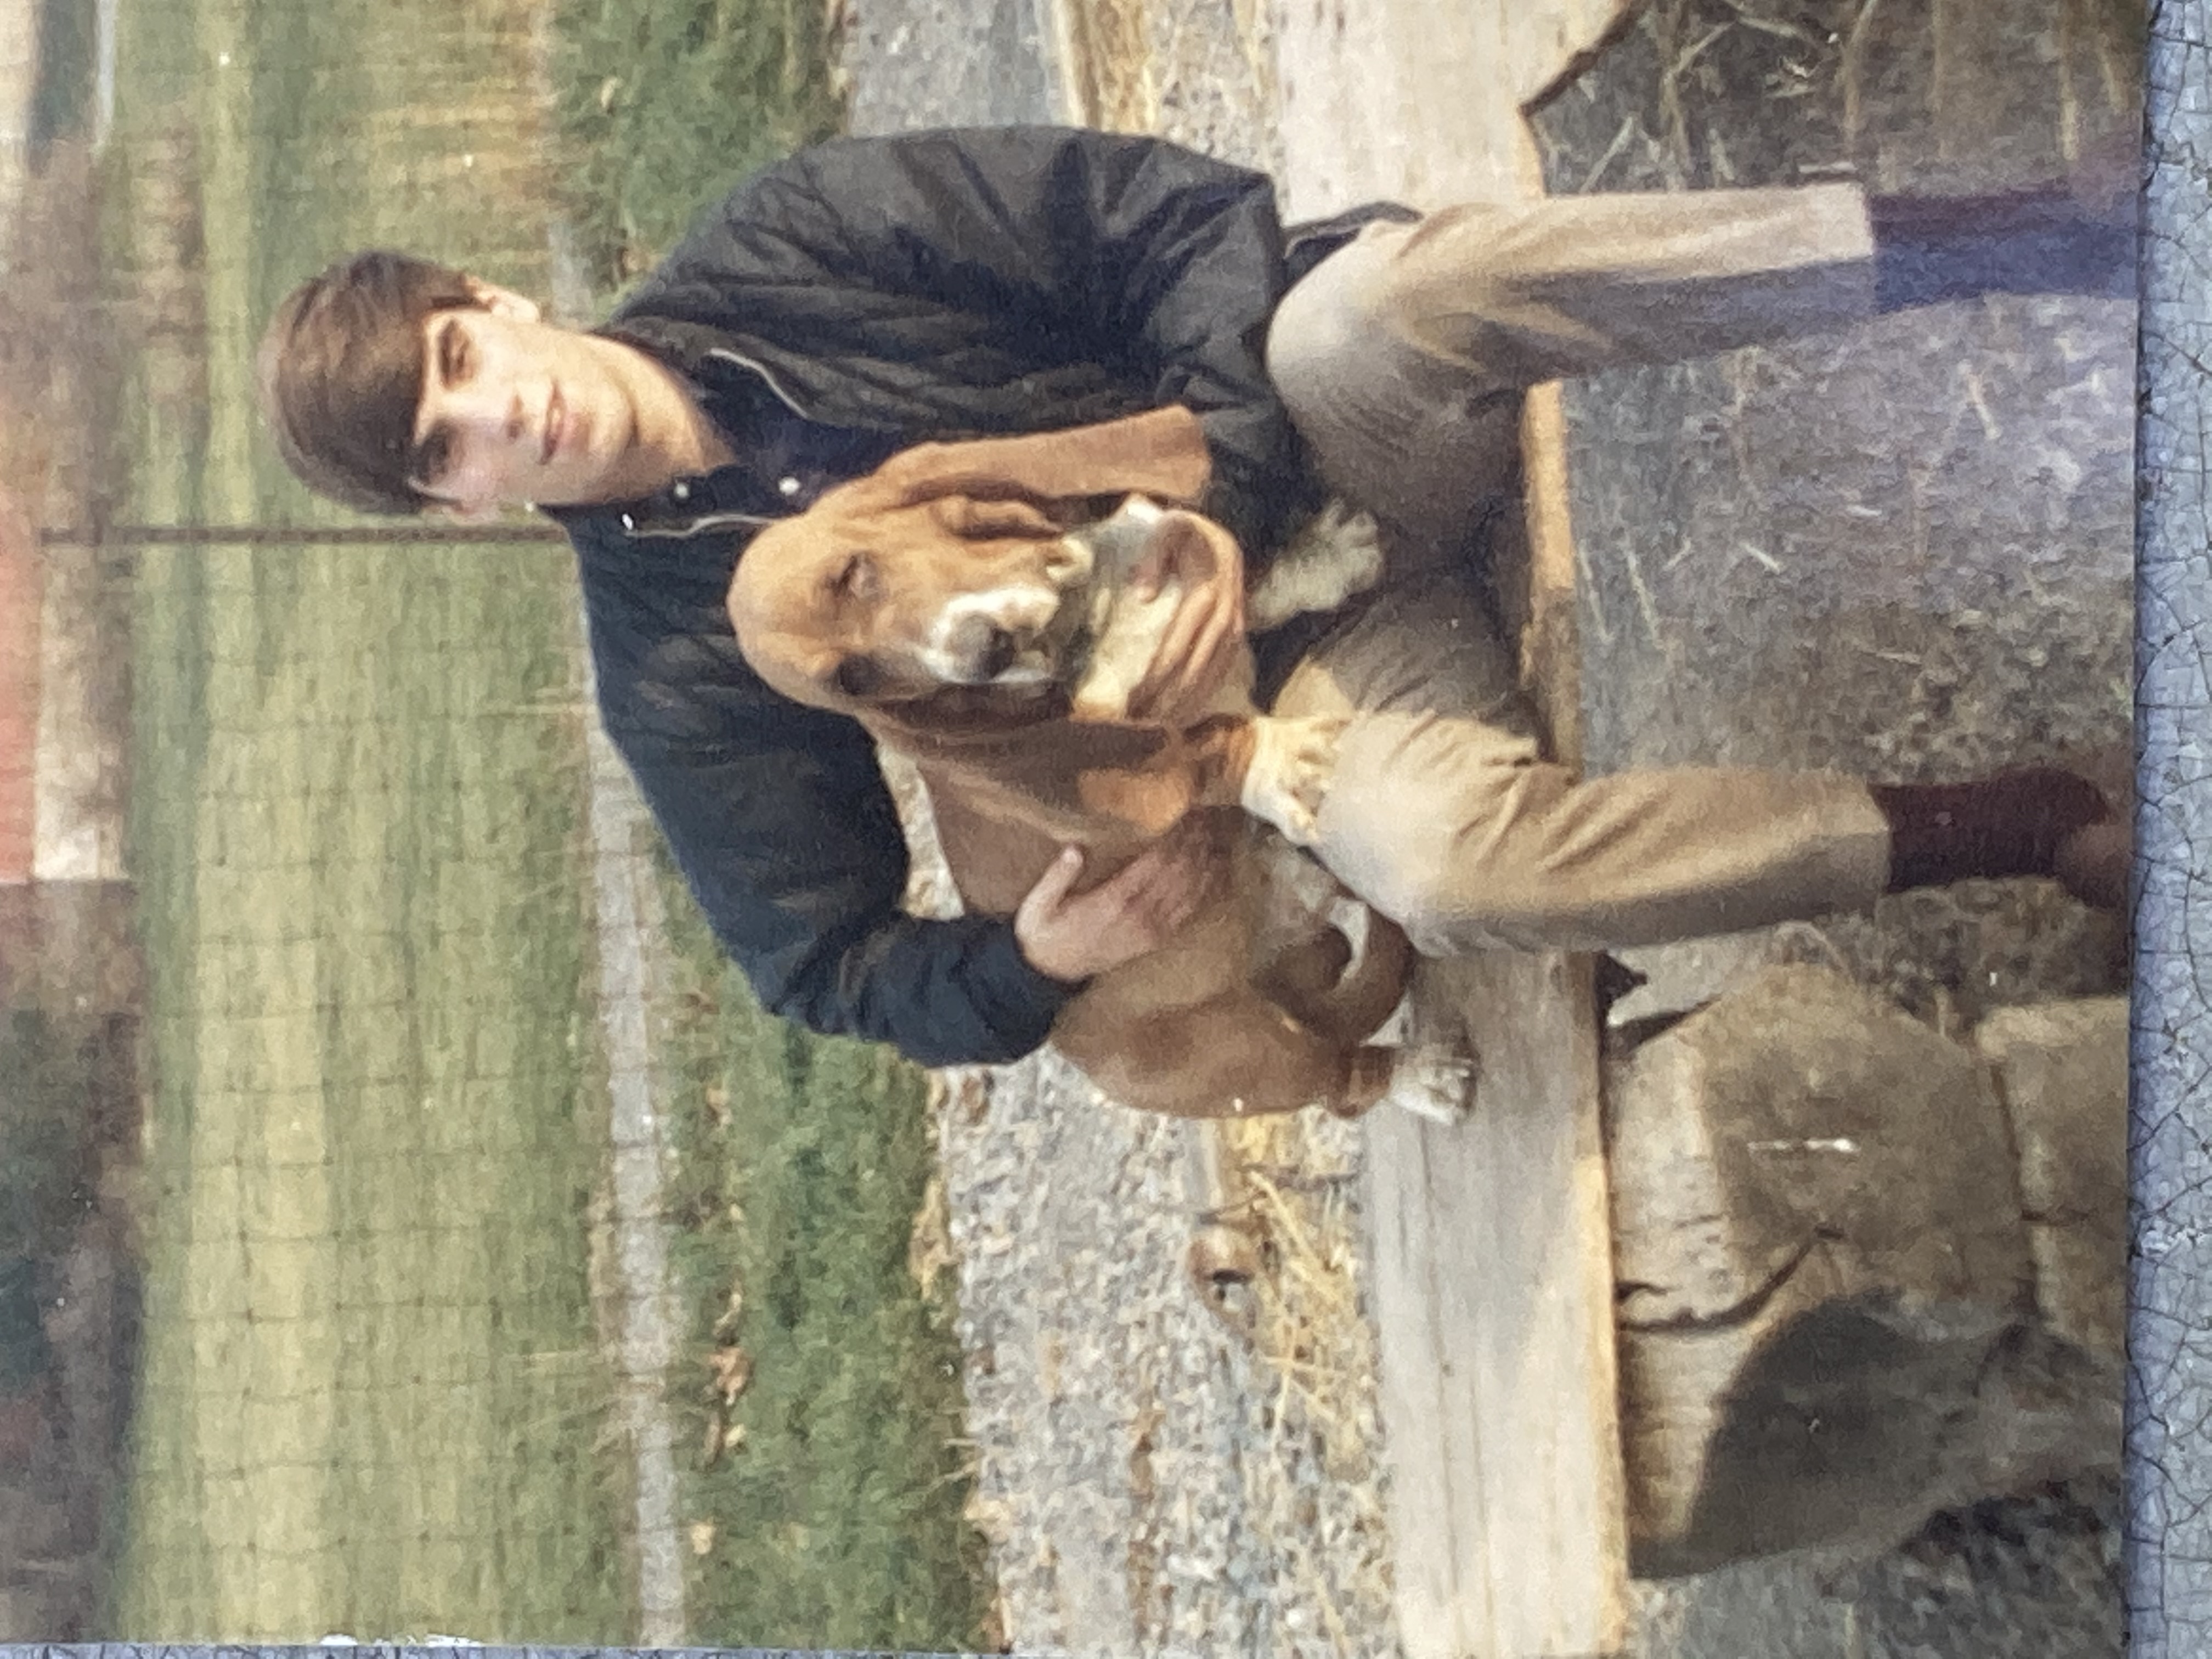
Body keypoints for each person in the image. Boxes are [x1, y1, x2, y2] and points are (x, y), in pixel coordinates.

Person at [256, 125, 2132, 1068]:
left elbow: (1166, 219)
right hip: (1282, 706)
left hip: (1309, 439)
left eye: (457, 359)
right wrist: (1036, 961)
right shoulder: (679, 665)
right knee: (1451, 872)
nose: (502, 413)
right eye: (448, 448)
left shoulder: (792, 240)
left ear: (494, 301)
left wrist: (1219, 487)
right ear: (462, 508)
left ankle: (2031, 231)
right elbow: (818, 968)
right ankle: (2032, 821)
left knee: (1384, 300)